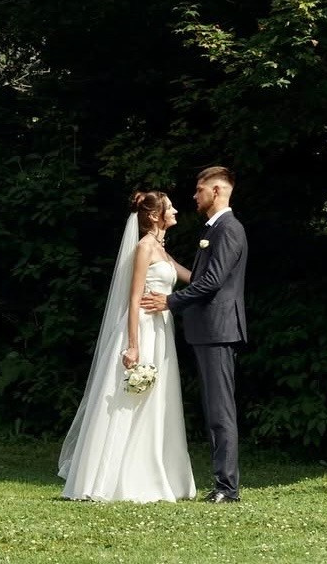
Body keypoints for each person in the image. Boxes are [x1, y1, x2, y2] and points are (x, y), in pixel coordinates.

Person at [58, 190, 197, 502]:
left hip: (161, 329)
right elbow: (134, 299)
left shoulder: (161, 249)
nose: (176, 211)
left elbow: (193, 278)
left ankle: (155, 471)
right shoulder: (145, 247)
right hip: (144, 328)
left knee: (157, 400)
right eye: (170, 207)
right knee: (130, 399)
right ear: (155, 215)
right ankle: (110, 479)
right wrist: (133, 345)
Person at [141, 165, 247, 502]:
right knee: (214, 408)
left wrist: (170, 301)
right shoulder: (213, 229)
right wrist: (167, 263)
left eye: (200, 189)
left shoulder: (228, 228)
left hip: (218, 330)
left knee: (220, 410)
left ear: (216, 191)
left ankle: (227, 488)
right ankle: (223, 484)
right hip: (208, 330)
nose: (194, 195)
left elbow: (213, 282)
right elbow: (202, 277)